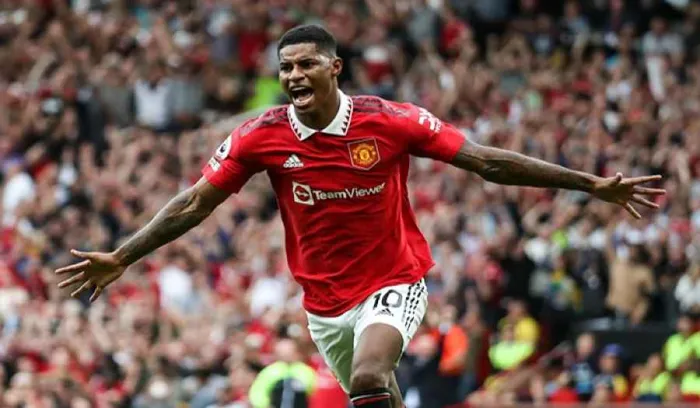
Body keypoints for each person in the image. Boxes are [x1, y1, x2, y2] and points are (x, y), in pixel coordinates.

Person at [54, 24, 665, 408]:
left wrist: (590, 183)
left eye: (306, 64)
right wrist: (123, 256)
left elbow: (486, 161)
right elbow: (195, 202)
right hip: (323, 303)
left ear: (333, 67)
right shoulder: (260, 136)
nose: (294, 75)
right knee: (377, 395)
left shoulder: (388, 120)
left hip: (394, 279)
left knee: (371, 377)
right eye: (286, 68)